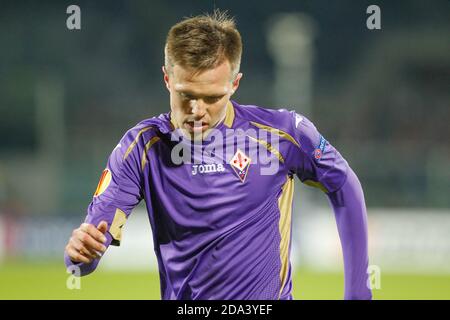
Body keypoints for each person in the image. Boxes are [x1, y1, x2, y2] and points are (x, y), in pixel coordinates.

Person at [64, 10, 372, 300]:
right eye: (186, 95)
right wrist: (80, 255)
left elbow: (344, 184)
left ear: (234, 84)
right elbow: (87, 252)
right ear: (167, 79)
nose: (197, 111)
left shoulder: (282, 134)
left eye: (212, 98)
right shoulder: (141, 148)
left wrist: (358, 292)